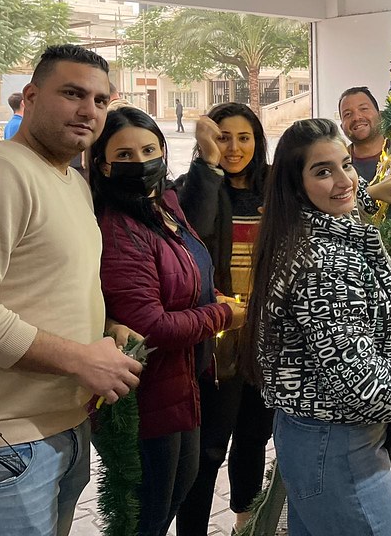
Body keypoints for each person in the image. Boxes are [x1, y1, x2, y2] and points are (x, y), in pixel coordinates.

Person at [0, 44, 143, 536]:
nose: (89, 110)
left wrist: (102, 330)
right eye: (72, 93)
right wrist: (80, 359)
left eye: (101, 100)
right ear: (30, 97)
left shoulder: (69, 182)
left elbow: (41, 285)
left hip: (57, 430)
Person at [242, 118, 391, 536]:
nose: (343, 179)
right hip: (337, 445)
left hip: (317, 436)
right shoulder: (326, 264)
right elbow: (359, 383)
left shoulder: (303, 230)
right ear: (297, 186)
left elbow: (347, 200)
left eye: (346, 164)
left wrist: (369, 192)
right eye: (322, 171)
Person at [91, 107, 247, 536]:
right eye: (123, 154)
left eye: (148, 149)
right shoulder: (119, 228)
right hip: (149, 394)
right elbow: (152, 326)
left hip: (184, 383)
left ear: (163, 150)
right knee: (149, 516)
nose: (139, 162)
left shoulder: (164, 208)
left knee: (174, 497)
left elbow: (188, 272)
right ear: (103, 164)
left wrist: (209, 295)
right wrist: (222, 314)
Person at [175, 102, 276, 536]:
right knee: (210, 445)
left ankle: (245, 522)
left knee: (254, 437)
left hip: (267, 334)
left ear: (258, 140)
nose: (233, 148)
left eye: (243, 137)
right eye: (222, 137)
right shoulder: (194, 185)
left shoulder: (276, 187)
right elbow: (191, 228)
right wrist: (208, 166)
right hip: (215, 334)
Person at [338, 86, 389, 183]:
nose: (356, 117)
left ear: (380, 115)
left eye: (364, 109)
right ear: (342, 126)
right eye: (347, 114)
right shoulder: (339, 166)